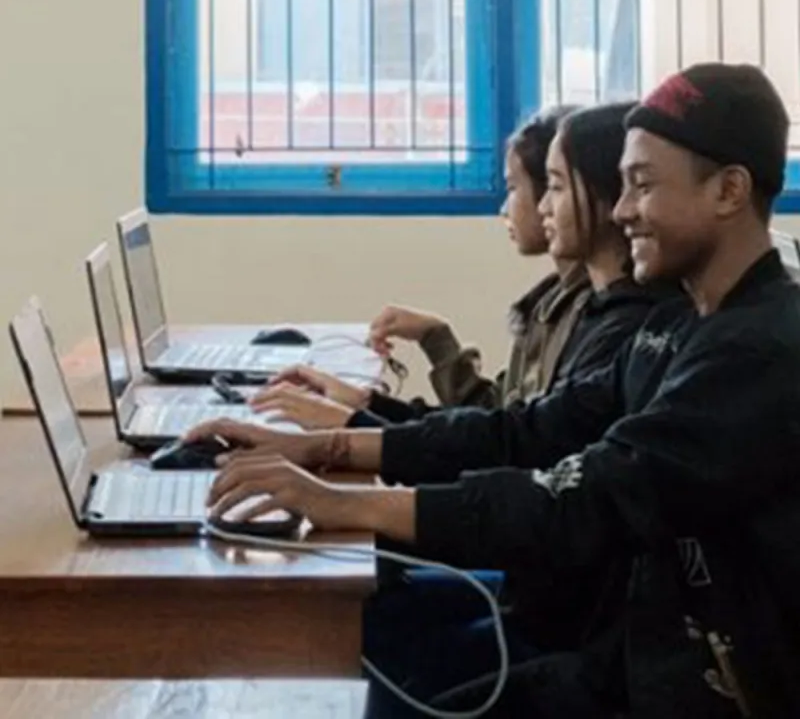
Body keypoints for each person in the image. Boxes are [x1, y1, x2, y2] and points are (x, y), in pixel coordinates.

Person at [192, 63, 800, 717]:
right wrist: (322, 449)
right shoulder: (672, 331)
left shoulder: (761, 352)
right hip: (631, 661)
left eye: (643, 186)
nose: (622, 211)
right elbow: (521, 432)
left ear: (730, 190)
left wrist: (342, 504)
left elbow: (578, 501)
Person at [250, 101, 667, 433]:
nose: (538, 207)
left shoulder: (617, 326)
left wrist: (357, 425)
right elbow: (500, 428)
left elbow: (510, 443)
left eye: (553, 187)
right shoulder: (556, 305)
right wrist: (364, 407)